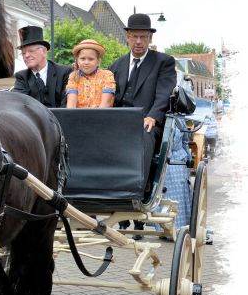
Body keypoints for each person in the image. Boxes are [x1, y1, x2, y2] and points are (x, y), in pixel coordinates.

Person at [110, 13, 177, 238]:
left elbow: (164, 93)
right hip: (119, 122)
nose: (138, 42)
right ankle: (107, 193)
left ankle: (137, 198)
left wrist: (153, 116)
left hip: (147, 121)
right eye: (134, 37)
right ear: (127, 38)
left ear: (150, 39)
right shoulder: (116, 65)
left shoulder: (163, 62)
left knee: (144, 135)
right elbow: (111, 96)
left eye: (143, 37)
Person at [13, 26, 71, 108]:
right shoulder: (22, 77)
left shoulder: (64, 72)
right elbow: (19, 105)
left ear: (44, 51)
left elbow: (67, 105)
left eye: (31, 51)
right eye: (23, 53)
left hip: (60, 119)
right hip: (34, 120)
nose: (26, 55)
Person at [65, 39, 115, 108]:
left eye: (91, 59)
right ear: (77, 60)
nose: (86, 62)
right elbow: (71, 105)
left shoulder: (107, 75)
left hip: (102, 116)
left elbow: (105, 104)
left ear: (98, 61)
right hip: (78, 117)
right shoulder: (73, 76)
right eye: (82, 59)